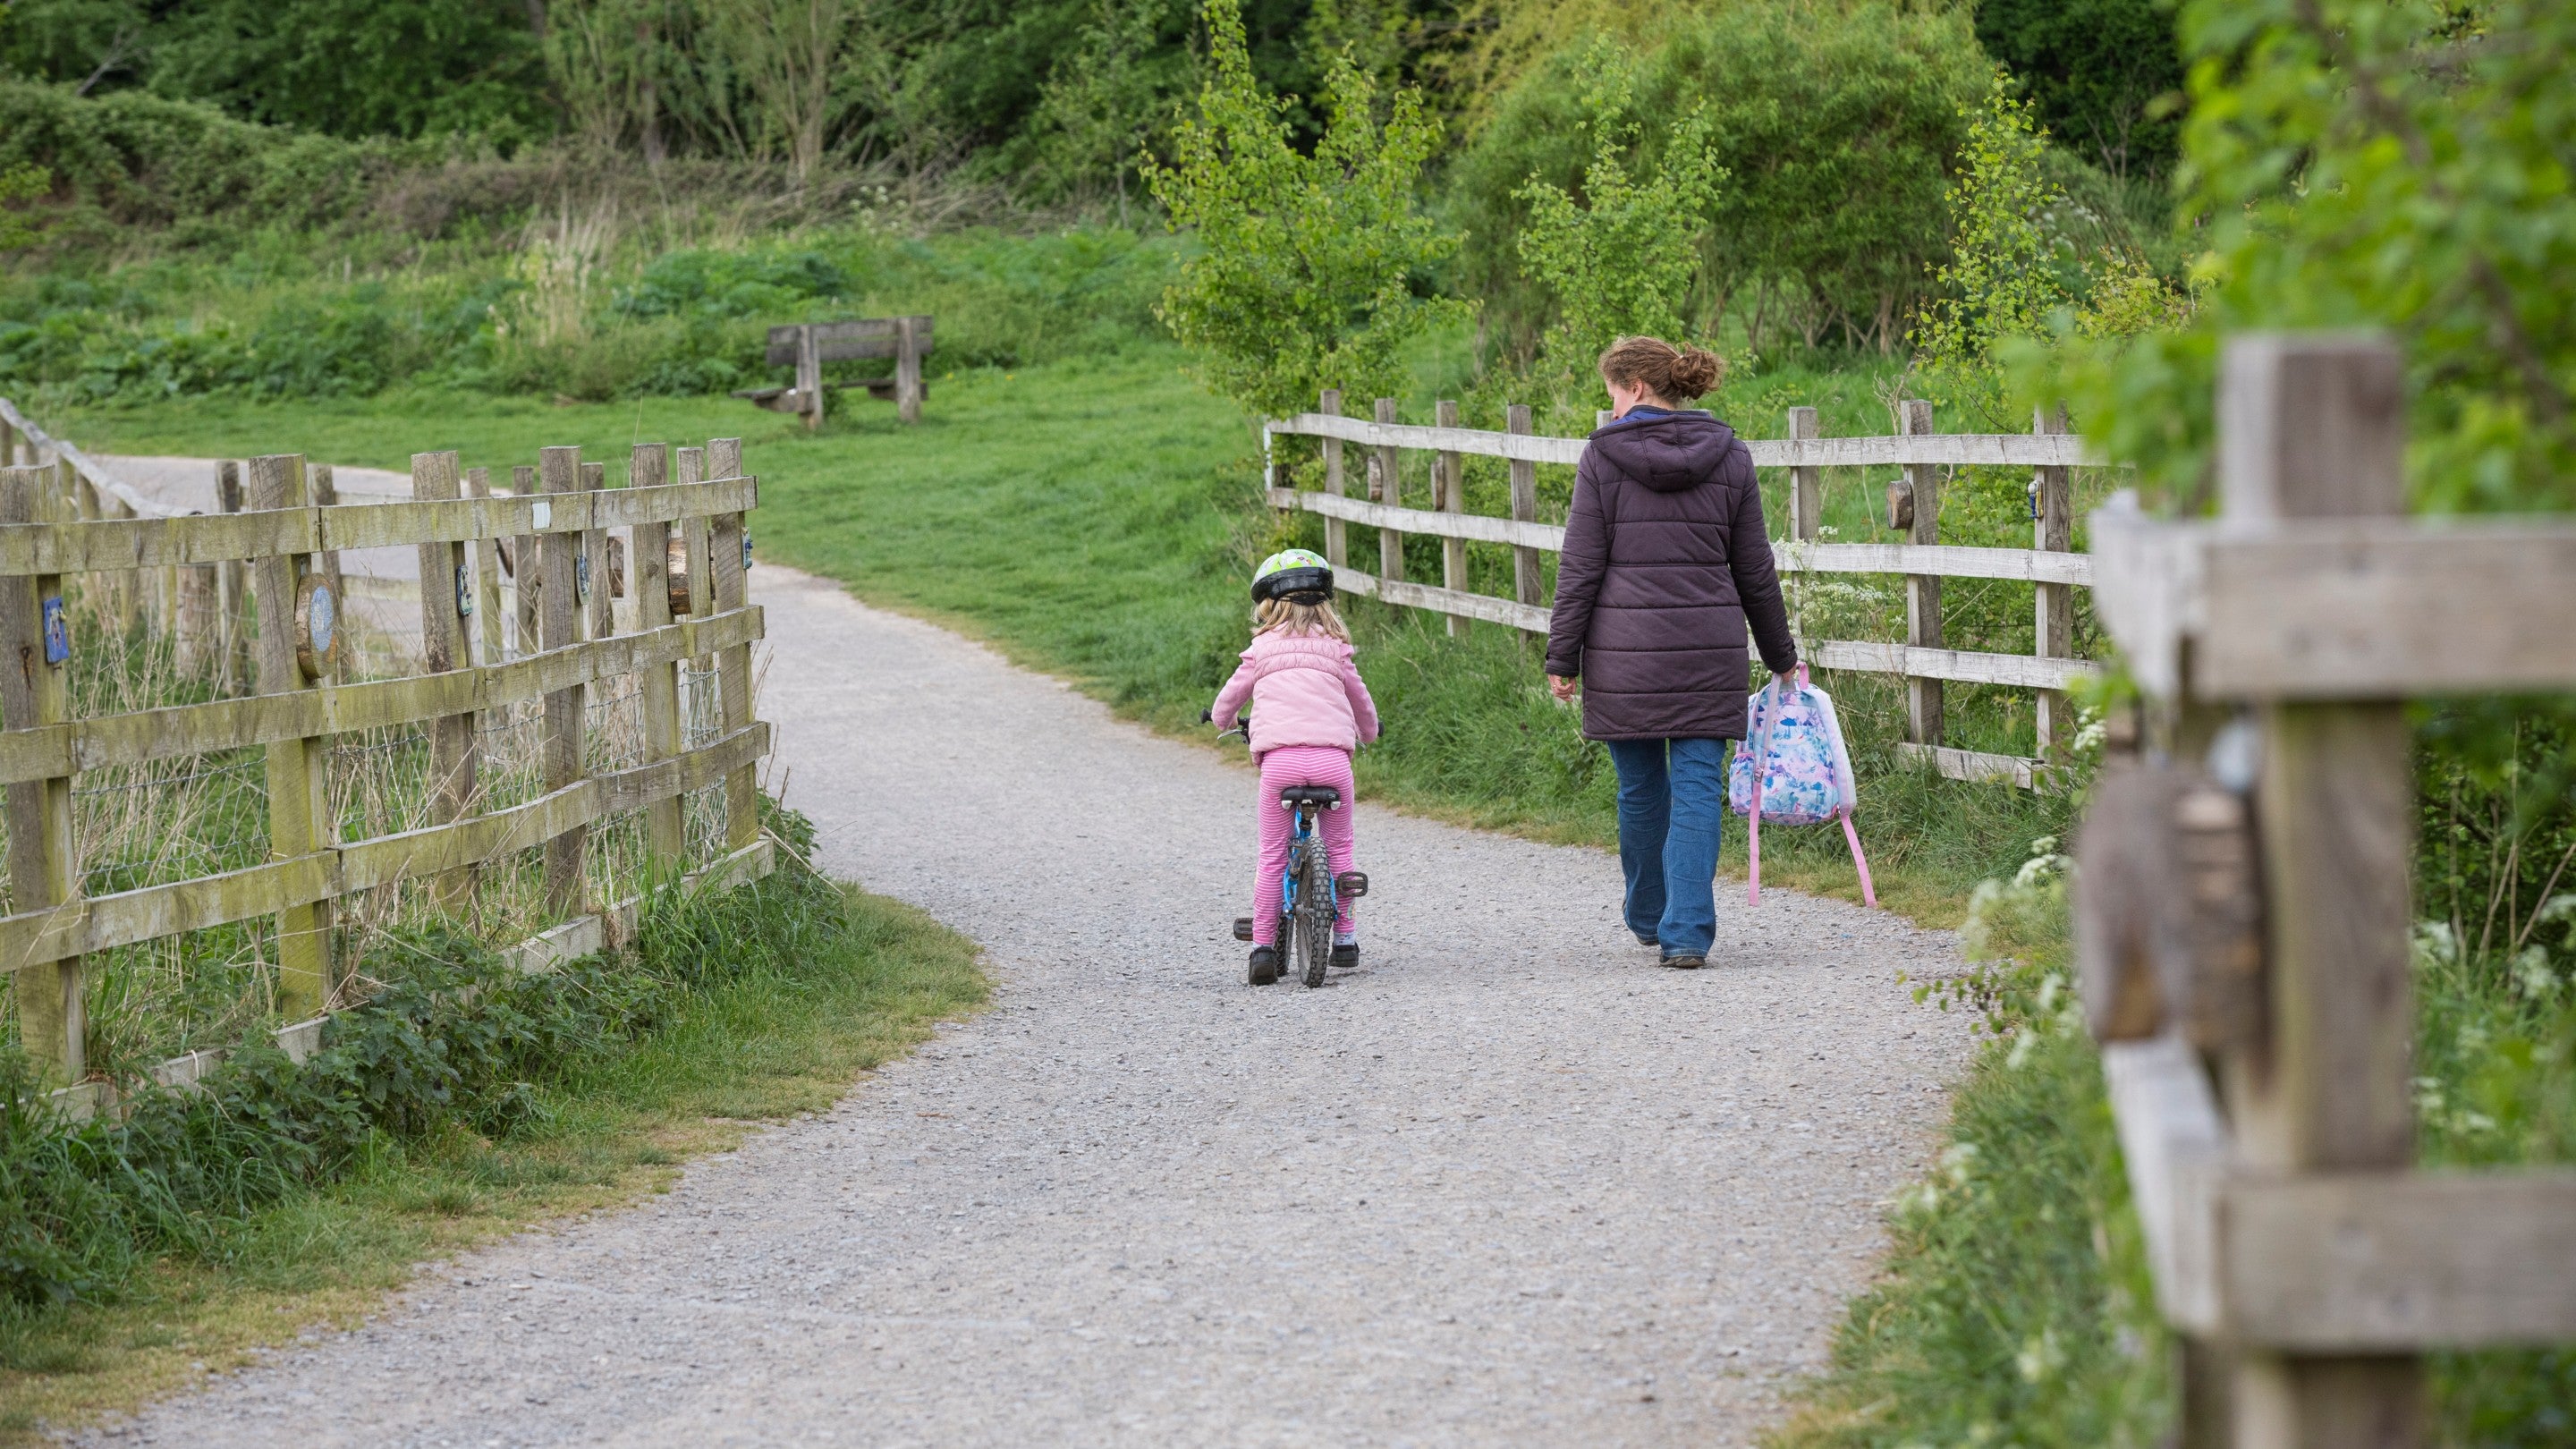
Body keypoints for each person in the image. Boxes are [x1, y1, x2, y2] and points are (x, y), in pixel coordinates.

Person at [1544, 336, 1798, 968]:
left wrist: (1562, 657)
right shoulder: (1731, 456)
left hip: (1624, 654)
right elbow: (1755, 571)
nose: (1610, 407)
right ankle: (1685, 932)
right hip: (1706, 652)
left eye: (1611, 392)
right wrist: (1781, 656)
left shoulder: (1602, 458)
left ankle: (1647, 913)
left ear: (1634, 388)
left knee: (1640, 790)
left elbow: (1580, 567)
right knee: (1694, 787)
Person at [1210, 548, 1382, 981]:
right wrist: (1368, 733)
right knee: (1340, 849)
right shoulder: (1337, 651)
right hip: (1333, 767)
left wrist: (1228, 722)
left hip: (1280, 767)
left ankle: (1264, 949)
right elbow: (1365, 711)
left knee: (1271, 855)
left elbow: (1223, 707)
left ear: (1268, 604)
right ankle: (1344, 940)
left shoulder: (1261, 651)